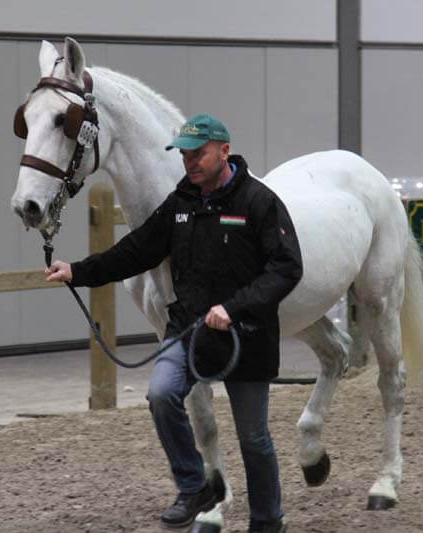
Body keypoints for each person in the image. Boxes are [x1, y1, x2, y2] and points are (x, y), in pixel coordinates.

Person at [45, 114, 302, 533]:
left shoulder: (259, 202)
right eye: (184, 155)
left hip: (246, 336)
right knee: (161, 394)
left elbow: (287, 268)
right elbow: (136, 250)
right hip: (188, 330)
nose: (190, 163)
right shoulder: (180, 202)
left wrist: (234, 308)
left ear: (224, 150)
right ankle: (194, 486)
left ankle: (267, 520)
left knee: (254, 439)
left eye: (198, 154)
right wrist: (78, 271)